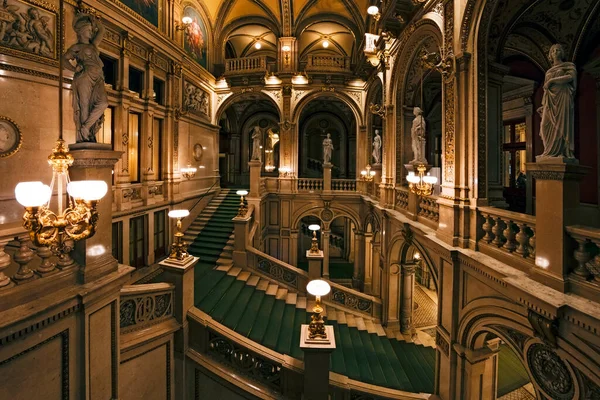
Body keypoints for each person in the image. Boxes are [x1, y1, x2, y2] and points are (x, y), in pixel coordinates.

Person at [63, 13, 108, 143]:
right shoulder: (76, 47)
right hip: (84, 77)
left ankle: (86, 127)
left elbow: (101, 31)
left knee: (103, 103)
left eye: (91, 29)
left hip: (98, 77)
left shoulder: (93, 45)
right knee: (84, 105)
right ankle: (85, 137)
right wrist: (73, 69)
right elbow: (63, 60)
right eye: (88, 30)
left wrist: (96, 22)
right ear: (82, 31)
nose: (91, 32)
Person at [538, 43, 577, 159]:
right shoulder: (548, 72)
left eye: (558, 50)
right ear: (550, 55)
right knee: (544, 126)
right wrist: (543, 105)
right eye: (553, 51)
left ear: (562, 53)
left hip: (563, 98)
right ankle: (548, 152)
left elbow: (570, 77)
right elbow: (545, 90)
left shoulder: (568, 66)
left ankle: (562, 151)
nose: (555, 52)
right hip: (549, 101)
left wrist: (552, 81)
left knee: (561, 126)